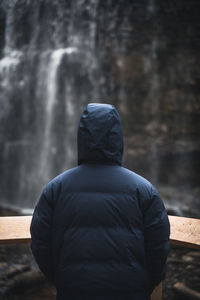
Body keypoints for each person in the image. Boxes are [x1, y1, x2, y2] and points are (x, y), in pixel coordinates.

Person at [30, 103, 170, 300]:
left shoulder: (55, 188)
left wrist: (58, 279)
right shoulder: (144, 189)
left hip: (74, 290)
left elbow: (40, 242)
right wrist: (146, 284)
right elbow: (159, 246)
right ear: (117, 138)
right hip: (130, 291)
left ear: (82, 137)